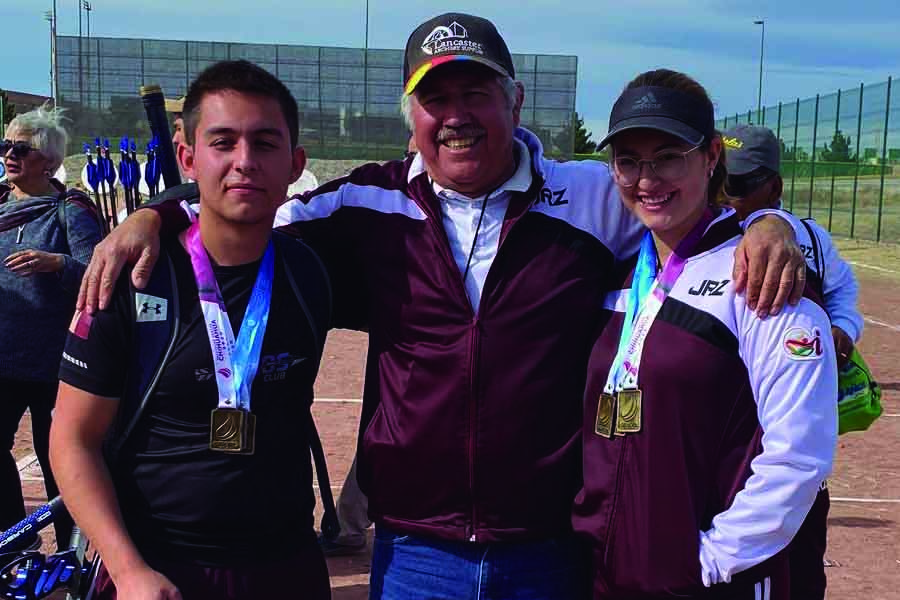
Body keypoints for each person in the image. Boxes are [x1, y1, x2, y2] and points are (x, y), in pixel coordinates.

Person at [78, 14, 806, 599]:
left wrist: (781, 227)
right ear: (412, 117)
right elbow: (240, 204)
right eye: (435, 98)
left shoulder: (592, 196)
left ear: (514, 101)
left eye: (475, 94)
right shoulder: (361, 202)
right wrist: (158, 212)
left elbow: (693, 221)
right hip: (414, 553)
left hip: (548, 551)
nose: (456, 116)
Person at [50, 60, 333, 600]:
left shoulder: (311, 269)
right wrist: (128, 569)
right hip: (158, 571)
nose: (244, 162)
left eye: (266, 143)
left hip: (287, 565)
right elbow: (71, 439)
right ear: (187, 157)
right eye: (223, 142)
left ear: (295, 163)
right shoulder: (128, 276)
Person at [572, 69, 838, 600]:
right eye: (628, 161)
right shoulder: (622, 271)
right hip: (611, 570)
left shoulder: (761, 281)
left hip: (705, 579)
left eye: (669, 155)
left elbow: (799, 456)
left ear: (711, 155)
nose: (647, 179)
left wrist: (714, 561)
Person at [721, 123, 864, 600]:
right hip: (725, 438)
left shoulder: (809, 238)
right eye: (720, 177)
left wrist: (843, 327)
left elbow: (844, 291)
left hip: (787, 427)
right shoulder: (704, 231)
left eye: (739, 183)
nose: (727, 192)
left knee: (799, 571)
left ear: (774, 187)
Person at [0, 104, 103, 550]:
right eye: (6, 145)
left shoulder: (70, 211)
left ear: (49, 162)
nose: (9, 154)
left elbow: (100, 275)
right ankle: (14, 542)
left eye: (20, 148)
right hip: (1, 360)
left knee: (60, 459)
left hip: (55, 365)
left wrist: (58, 263)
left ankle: (70, 551)